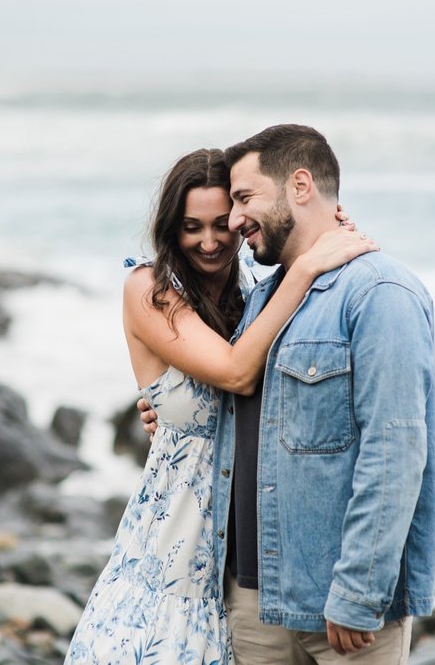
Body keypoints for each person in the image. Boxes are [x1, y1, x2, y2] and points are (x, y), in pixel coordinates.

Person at [65, 147, 378, 664]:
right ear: (171, 226)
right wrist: (305, 271)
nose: (209, 242)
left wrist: (322, 240)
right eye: (191, 226)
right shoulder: (150, 288)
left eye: (220, 225)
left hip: (246, 564)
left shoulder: (256, 293)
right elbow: (235, 372)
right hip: (172, 549)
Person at [143, 125, 435, 665]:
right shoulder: (265, 297)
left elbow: (395, 452)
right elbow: (234, 394)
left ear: (300, 185)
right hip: (252, 599)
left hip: (335, 606)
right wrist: (163, 408)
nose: (233, 222)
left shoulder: (379, 292)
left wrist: (358, 592)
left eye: (243, 199)